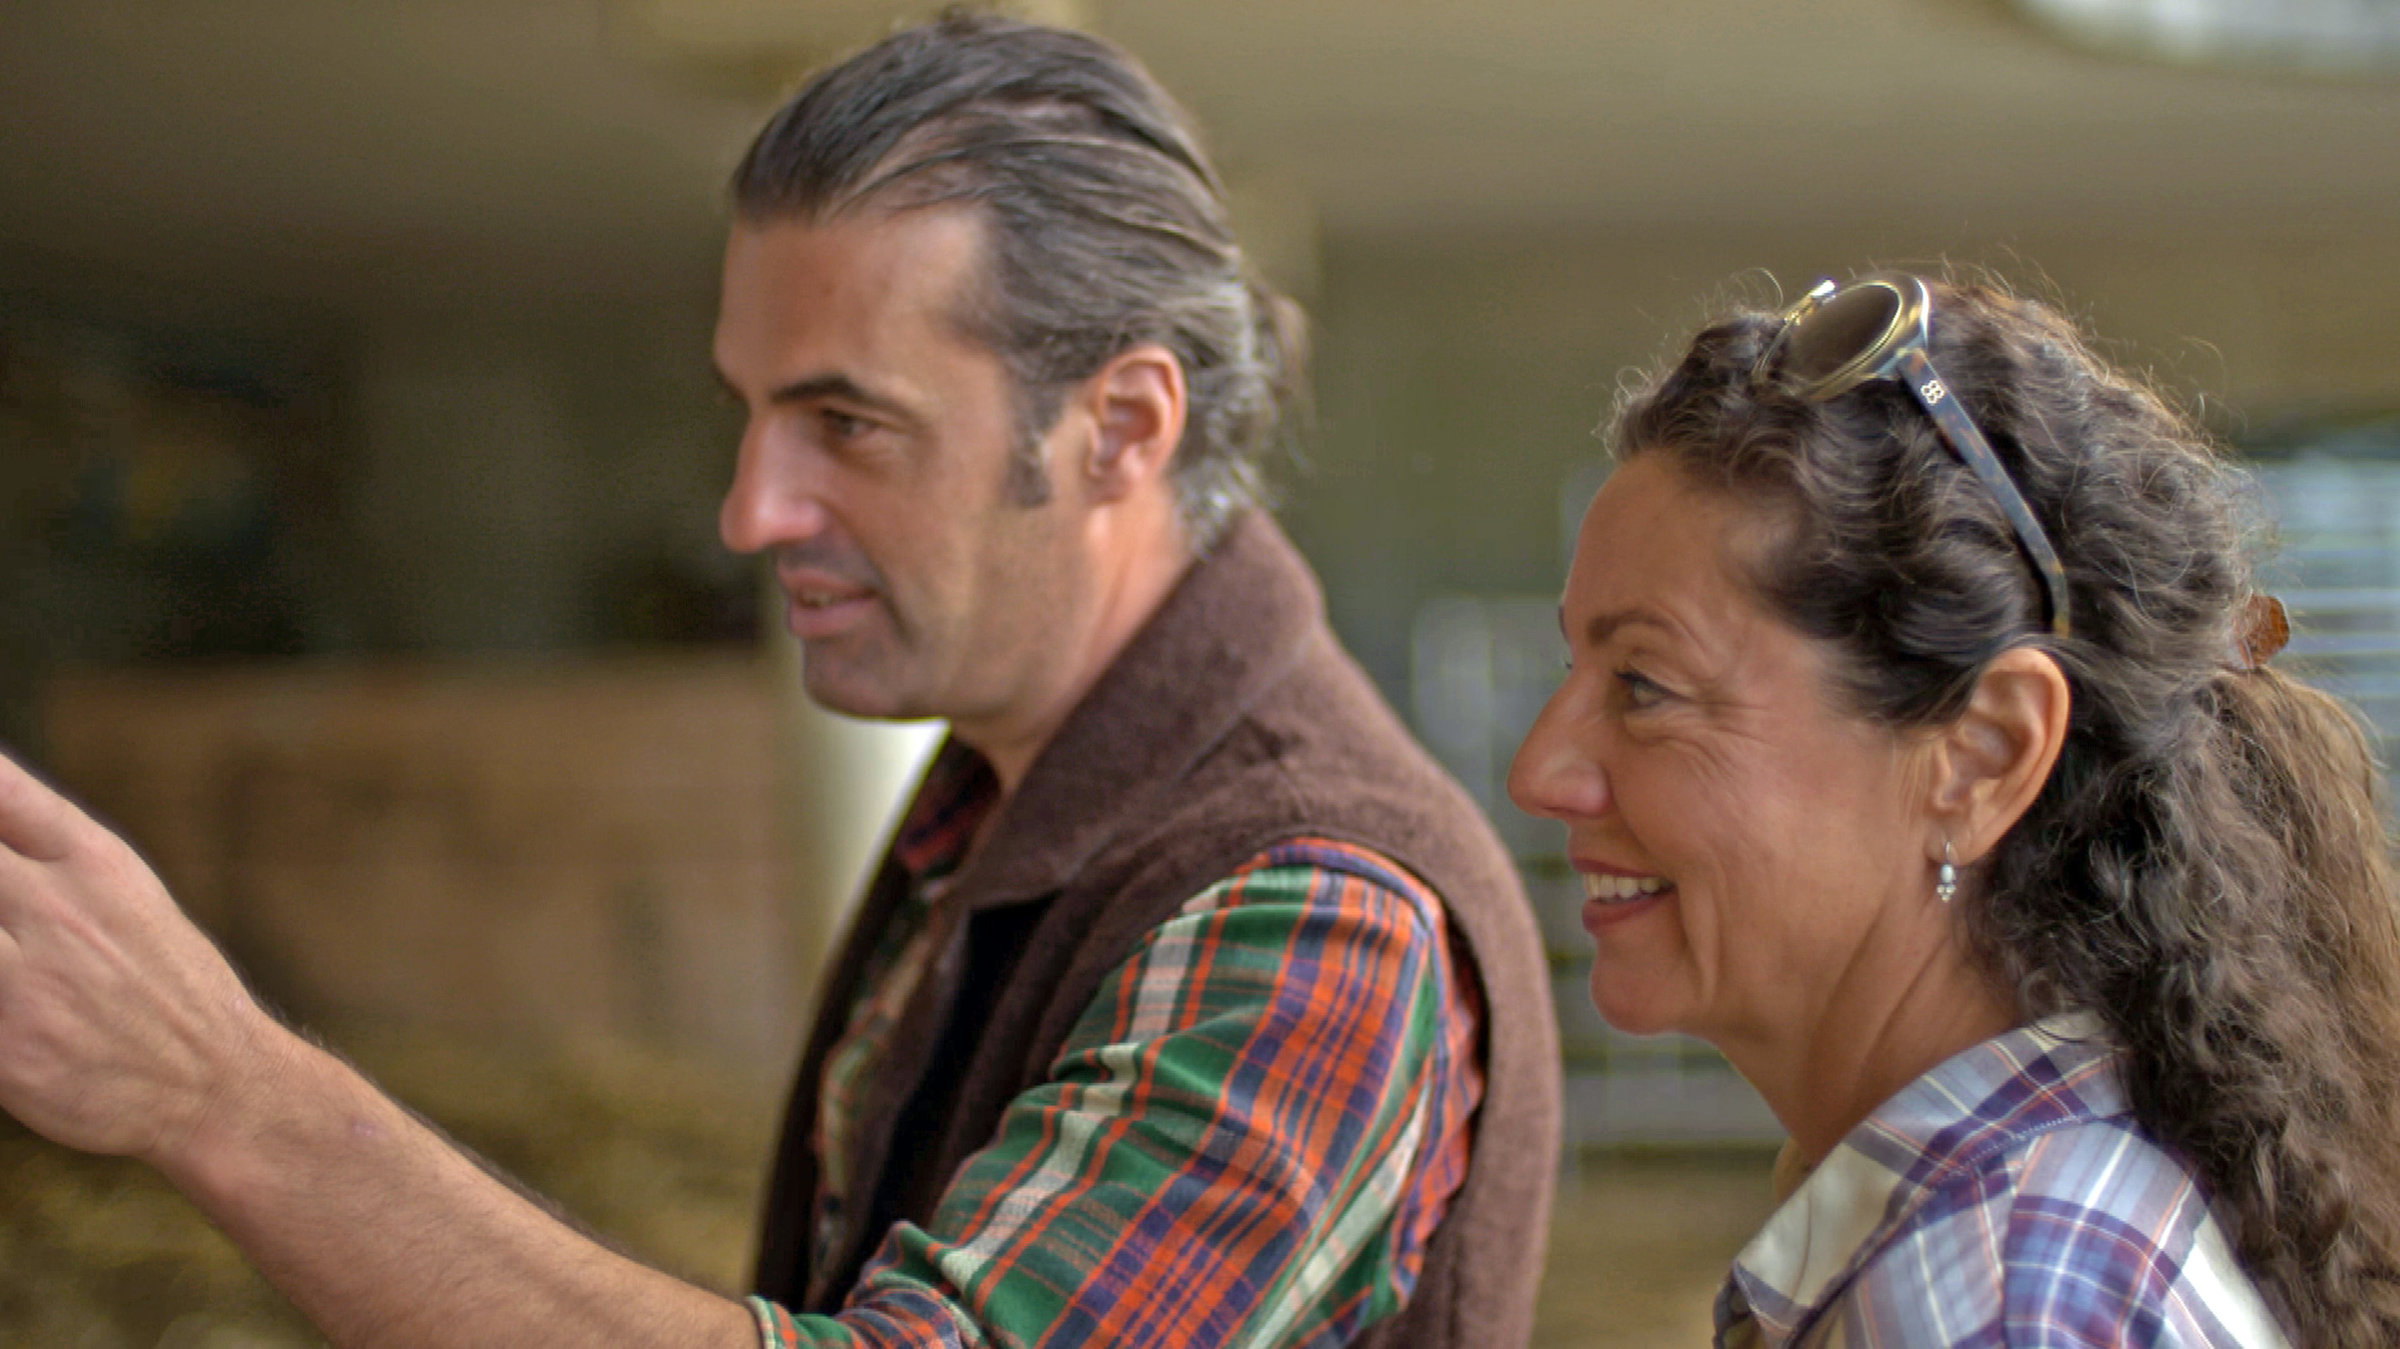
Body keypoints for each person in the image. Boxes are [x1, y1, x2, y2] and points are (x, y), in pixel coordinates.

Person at [0, 13, 1559, 1348]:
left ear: (1123, 427)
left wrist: (226, 1095)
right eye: (751, 414)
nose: (751, 513)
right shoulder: (1031, 767)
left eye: (849, 424)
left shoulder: (1315, 913)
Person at [1508, 272, 2400, 1346]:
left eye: (1644, 685)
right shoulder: (2025, 1229)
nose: (1540, 770)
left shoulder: (1994, 1294)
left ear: (1982, 756)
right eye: (1574, 665)